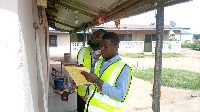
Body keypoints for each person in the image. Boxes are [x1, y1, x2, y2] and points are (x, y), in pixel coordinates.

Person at [80, 32, 132, 112]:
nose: (102, 49)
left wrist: (97, 81)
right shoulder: (99, 62)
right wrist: (84, 73)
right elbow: (90, 81)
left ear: (116, 47)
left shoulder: (124, 68)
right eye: (101, 46)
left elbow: (121, 95)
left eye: (106, 47)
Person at [61, 29, 107, 112]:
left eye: (97, 36)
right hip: (82, 96)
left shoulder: (107, 55)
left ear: (104, 41)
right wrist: (67, 90)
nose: (93, 36)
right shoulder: (82, 52)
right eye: (93, 34)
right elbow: (76, 73)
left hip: (98, 99)